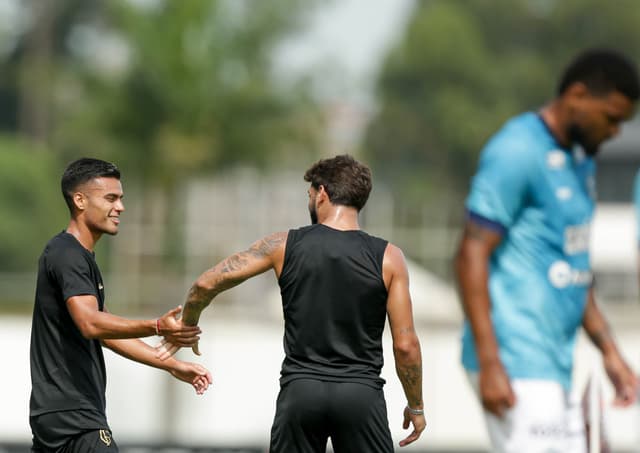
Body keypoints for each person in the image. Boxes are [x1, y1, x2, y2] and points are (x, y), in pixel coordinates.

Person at [157, 154, 426, 452]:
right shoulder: (390, 257)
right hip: (360, 395)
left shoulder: (283, 246)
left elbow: (205, 284)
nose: (309, 200)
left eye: (309, 194)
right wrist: (415, 406)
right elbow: (405, 346)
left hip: (301, 393)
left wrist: (188, 324)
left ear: (321, 193)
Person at [454, 48, 640, 453]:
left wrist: (610, 351)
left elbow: (572, 267)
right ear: (576, 95)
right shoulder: (517, 150)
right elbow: (470, 253)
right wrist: (490, 362)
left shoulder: (580, 161)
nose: (614, 133)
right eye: (611, 118)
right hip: (514, 357)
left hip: (554, 362)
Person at [29, 158, 213, 452]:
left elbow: (103, 329)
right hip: (75, 416)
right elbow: (91, 324)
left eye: (121, 199)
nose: (120, 208)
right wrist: (155, 326)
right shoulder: (68, 254)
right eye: (110, 198)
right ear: (79, 200)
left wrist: (169, 364)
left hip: (58, 414)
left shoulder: (77, 257)